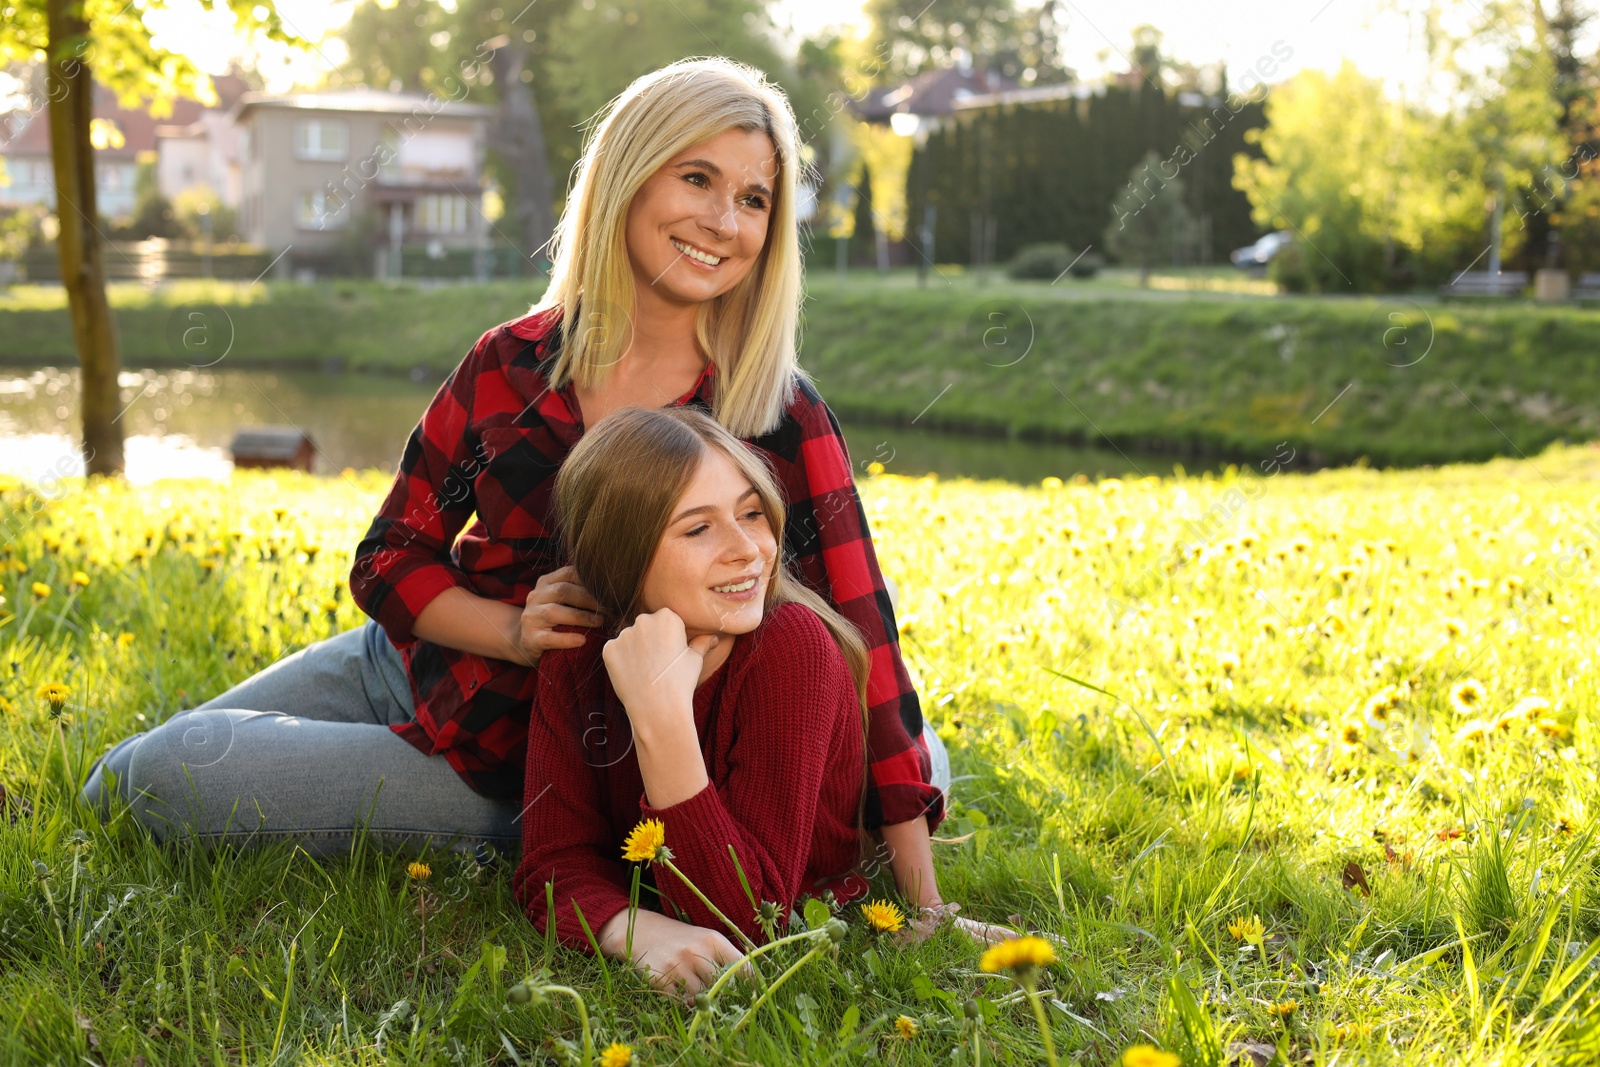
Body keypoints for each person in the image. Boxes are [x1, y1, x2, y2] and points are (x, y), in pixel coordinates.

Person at [79, 58, 950, 917]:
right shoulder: (509, 364)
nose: (725, 221)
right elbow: (388, 558)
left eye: (755, 199)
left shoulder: (777, 413)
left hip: (539, 759)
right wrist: (510, 628)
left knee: (158, 783)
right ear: (627, 178)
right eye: (698, 178)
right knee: (124, 771)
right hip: (411, 662)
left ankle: (490, 827)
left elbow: (862, 642)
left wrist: (922, 896)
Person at [515, 405, 869, 992]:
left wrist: (662, 719)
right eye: (698, 528)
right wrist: (637, 930)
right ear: (619, 553)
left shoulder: (792, 649)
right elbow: (551, 865)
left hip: (833, 764)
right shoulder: (578, 655)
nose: (748, 549)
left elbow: (751, 922)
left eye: (752, 513)